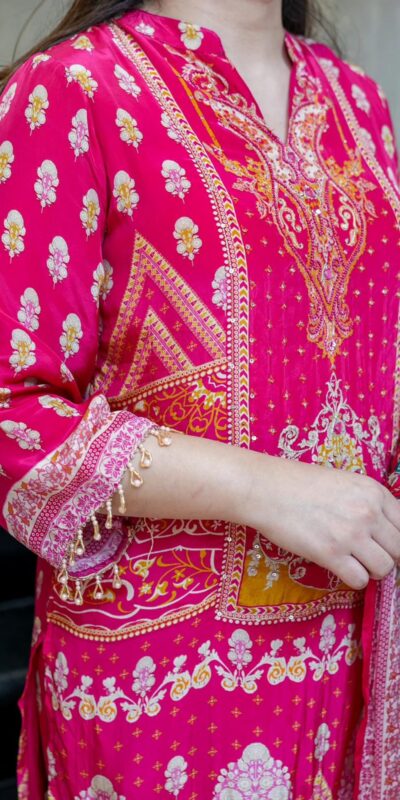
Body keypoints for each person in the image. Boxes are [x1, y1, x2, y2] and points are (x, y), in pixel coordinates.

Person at [1, 0, 400, 796]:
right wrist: (265, 490)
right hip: (164, 690)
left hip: (347, 664)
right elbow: (14, 411)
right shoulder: (72, 88)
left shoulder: (355, 100)